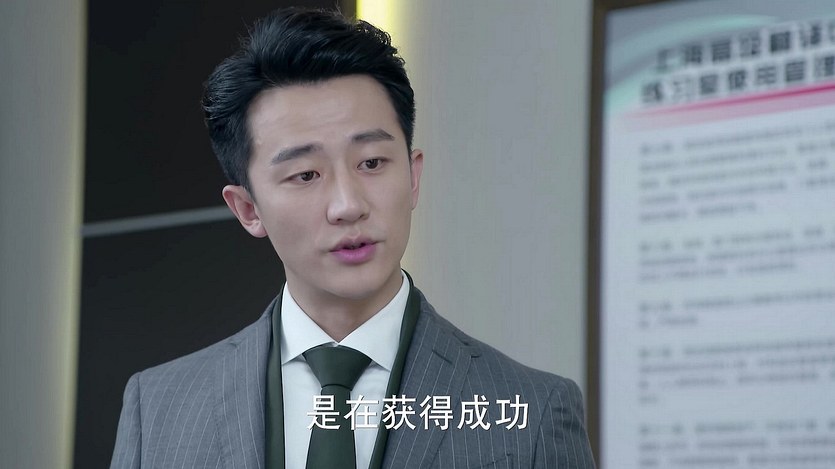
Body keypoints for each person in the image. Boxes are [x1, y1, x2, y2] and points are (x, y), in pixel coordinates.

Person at [110, 7, 595, 469]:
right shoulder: (158, 409)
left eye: (372, 163)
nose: (347, 204)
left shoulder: (531, 411)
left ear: (413, 177)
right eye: (305, 174)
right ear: (249, 209)